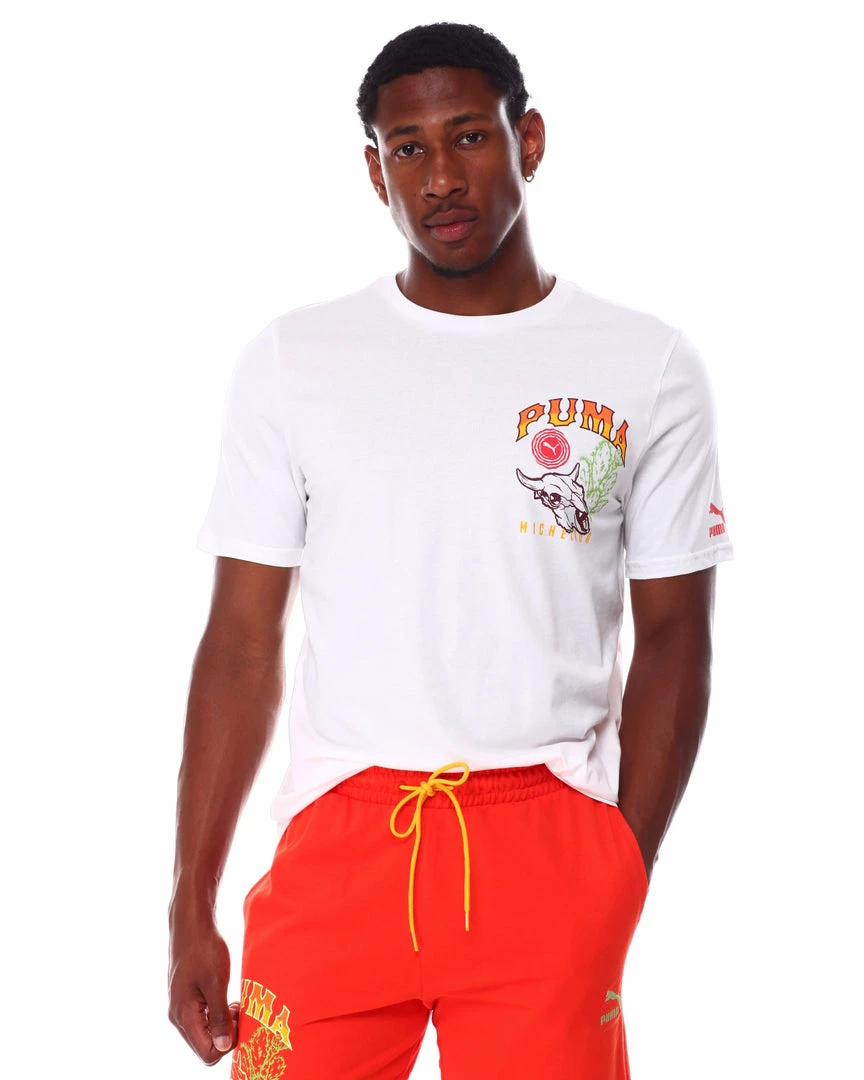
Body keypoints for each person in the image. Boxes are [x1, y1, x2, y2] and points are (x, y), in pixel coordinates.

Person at [168, 20, 733, 1080]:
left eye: (469, 135)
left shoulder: (645, 363)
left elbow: (675, 639)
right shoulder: (295, 360)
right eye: (409, 148)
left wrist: (624, 866)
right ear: (374, 171)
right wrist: (188, 906)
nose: (438, 176)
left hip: (549, 841)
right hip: (339, 842)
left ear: (530, 140)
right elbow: (241, 643)